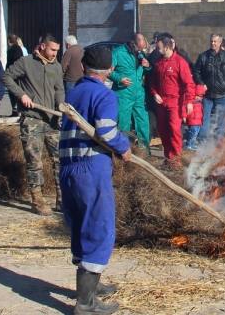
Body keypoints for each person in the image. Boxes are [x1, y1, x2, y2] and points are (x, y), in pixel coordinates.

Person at [60, 45, 132, 315]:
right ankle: (85, 304)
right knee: (99, 228)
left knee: (81, 226)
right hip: (91, 168)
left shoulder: (75, 91)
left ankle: (91, 287)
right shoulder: (104, 94)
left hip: (68, 167)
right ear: (109, 70)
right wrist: (123, 147)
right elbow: (106, 131)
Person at [4, 34, 65, 215]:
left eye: (57, 51)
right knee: (34, 161)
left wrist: (61, 105)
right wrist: (21, 95)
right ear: (42, 46)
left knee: (60, 160)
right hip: (32, 119)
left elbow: (59, 89)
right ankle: (37, 200)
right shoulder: (26, 62)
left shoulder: (57, 67)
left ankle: (62, 199)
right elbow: (7, 77)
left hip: (52, 120)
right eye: (52, 50)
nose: (55, 53)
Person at [148, 36, 195, 169]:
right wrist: (155, 94)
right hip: (161, 103)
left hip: (175, 102)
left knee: (174, 130)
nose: (157, 49)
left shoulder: (180, 62)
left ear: (167, 47)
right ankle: (168, 157)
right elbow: (152, 83)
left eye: (159, 47)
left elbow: (189, 84)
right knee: (163, 131)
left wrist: (189, 101)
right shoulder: (158, 63)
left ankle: (176, 160)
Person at [109, 33, 152, 154]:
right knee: (123, 123)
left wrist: (148, 66)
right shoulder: (117, 52)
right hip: (123, 94)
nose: (140, 50)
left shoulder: (140, 54)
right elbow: (108, 71)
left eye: (142, 49)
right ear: (133, 43)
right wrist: (119, 78)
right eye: (139, 47)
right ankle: (123, 151)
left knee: (143, 121)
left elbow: (147, 70)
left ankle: (144, 151)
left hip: (139, 94)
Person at [193, 33, 225, 144]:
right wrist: (201, 83)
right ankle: (203, 141)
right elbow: (196, 71)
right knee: (205, 118)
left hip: (223, 94)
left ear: (220, 42)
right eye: (211, 41)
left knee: (222, 119)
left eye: (215, 41)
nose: (213, 43)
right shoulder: (203, 56)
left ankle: (218, 141)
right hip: (207, 94)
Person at [183, 84, 207, 150]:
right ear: (194, 95)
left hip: (198, 122)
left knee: (195, 134)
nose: (201, 97)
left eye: (202, 96)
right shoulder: (189, 102)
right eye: (199, 96)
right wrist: (184, 117)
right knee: (192, 133)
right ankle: (189, 144)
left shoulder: (199, 103)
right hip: (192, 121)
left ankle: (192, 144)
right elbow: (184, 109)